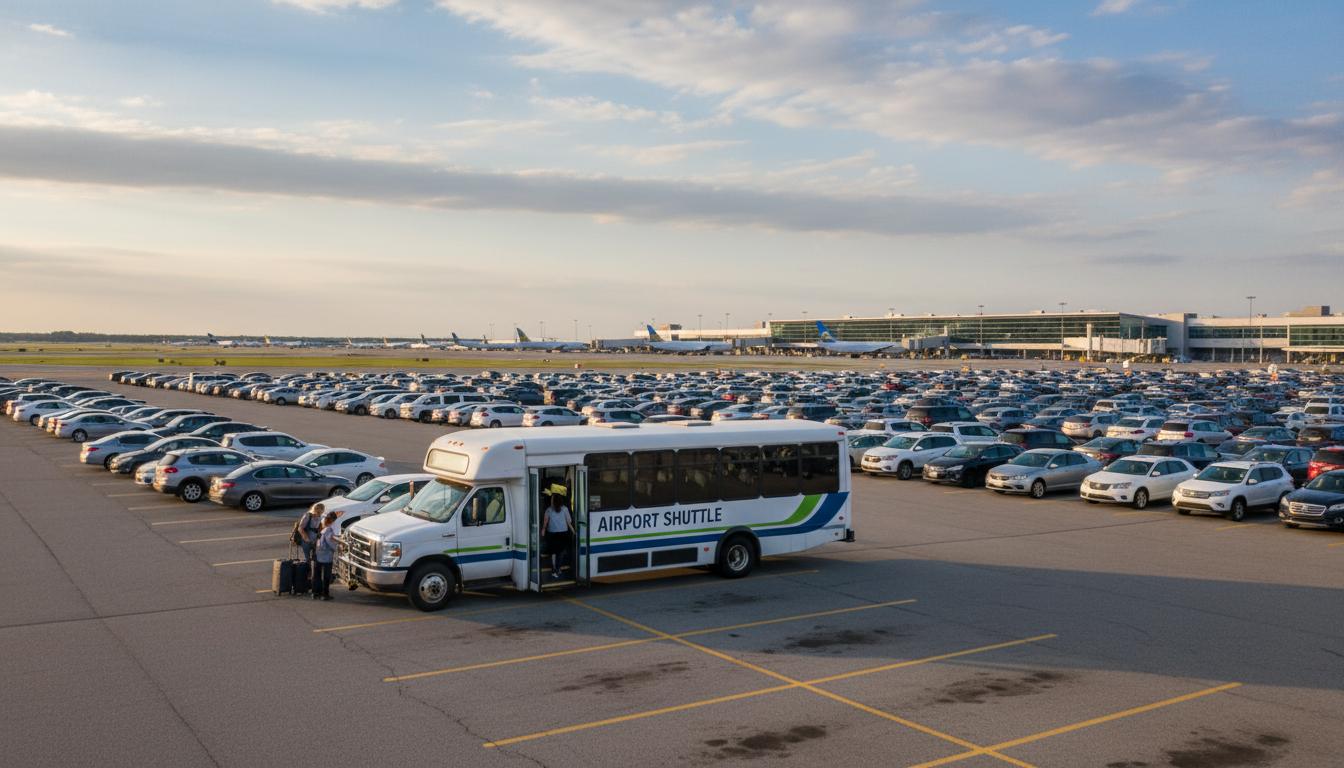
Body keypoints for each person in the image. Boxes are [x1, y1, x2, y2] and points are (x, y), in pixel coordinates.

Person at [542, 485, 573, 579]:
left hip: (552, 534)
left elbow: (545, 522)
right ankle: (558, 568)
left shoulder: (548, 510)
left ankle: (554, 569)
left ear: (553, 501)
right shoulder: (565, 509)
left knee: (553, 553)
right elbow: (569, 522)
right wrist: (573, 531)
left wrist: (543, 529)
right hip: (563, 533)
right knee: (561, 552)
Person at [312, 510, 339, 600]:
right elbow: (330, 543)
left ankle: (315, 593)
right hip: (326, 556)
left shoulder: (321, 526)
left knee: (317, 575)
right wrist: (337, 547)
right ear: (333, 520)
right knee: (326, 576)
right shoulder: (329, 530)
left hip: (318, 553)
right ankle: (324, 594)